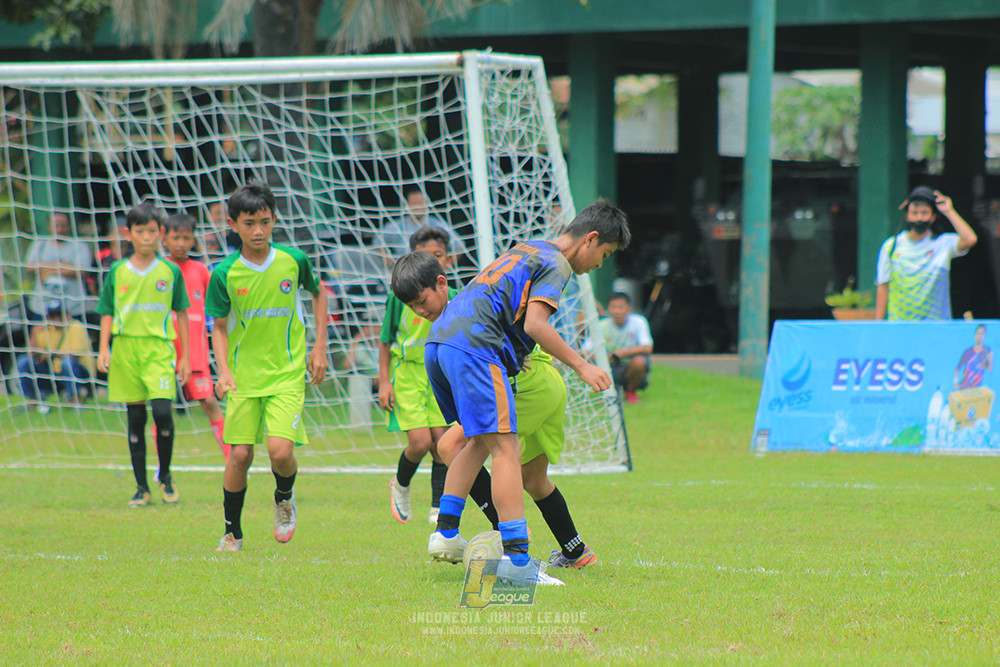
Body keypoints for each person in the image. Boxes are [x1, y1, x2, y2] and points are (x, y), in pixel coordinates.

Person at [411, 198, 630, 584]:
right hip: (476, 350)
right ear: (591, 239)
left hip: (440, 344)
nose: (598, 265)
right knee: (506, 448)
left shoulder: (528, 247)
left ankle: (444, 534)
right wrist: (582, 364)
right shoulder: (557, 264)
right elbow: (536, 325)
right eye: (605, 255)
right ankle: (516, 561)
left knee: (475, 443)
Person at [207, 180, 328, 552]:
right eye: (248, 223)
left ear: (274, 219)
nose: (258, 231)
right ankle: (232, 532)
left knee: (280, 452)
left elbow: (319, 293)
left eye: (264, 221)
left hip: (287, 373)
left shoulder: (294, 260)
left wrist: (319, 346)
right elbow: (220, 326)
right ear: (232, 224)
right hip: (245, 377)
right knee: (240, 455)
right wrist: (224, 371)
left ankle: (285, 498)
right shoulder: (226, 273)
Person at [436, 344, 598, 570]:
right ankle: (577, 551)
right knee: (533, 478)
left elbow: (534, 323)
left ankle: (504, 533)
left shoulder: (472, 311)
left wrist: (580, 365)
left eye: (422, 305)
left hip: (526, 386)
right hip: (543, 385)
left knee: (451, 445)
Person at [96, 202, 191, 508]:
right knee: (135, 419)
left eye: (152, 231)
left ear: (161, 233)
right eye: (140, 231)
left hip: (158, 349)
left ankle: (165, 476)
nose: (147, 237)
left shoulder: (170, 271)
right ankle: (141, 487)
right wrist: (103, 348)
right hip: (125, 349)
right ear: (128, 234)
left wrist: (186, 356)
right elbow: (108, 311)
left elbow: (182, 313)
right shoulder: (117, 271)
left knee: (163, 413)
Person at [379, 226, 457, 525]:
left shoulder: (453, 294)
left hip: (439, 372)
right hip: (409, 373)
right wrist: (384, 381)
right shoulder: (398, 298)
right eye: (424, 256)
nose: (431, 260)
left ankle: (438, 505)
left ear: (446, 259)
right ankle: (400, 483)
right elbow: (385, 340)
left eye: (437, 256)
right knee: (420, 442)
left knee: (442, 441)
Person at [161, 213, 229, 460]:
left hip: (195, 352)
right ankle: (162, 468)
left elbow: (217, 305)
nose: (181, 243)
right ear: (164, 238)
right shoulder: (160, 269)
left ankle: (231, 459)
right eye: (175, 237)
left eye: (186, 238)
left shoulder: (201, 270)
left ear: (193, 240)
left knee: (210, 403)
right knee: (162, 410)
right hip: (164, 350)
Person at [875, 186, 978, 321]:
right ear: (906, 215)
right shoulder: (891, 246)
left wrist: (949, 211)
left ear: (933, 217)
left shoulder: (943, 244)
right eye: (914, 212)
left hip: (936, 327)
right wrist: (878, 325)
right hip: (899, 328)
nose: (919, 217)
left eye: (924, 213)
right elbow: (883, 286)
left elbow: (970, 239)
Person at [17, 298, 95, 413]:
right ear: (48, 317)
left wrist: (49, 354)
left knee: (67, 362)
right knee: (24, 362)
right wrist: (34, 332)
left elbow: (74, 356)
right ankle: (32, 401)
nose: (57, 319)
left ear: (67, 315)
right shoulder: (45, 330)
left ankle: (75, 399)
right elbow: (32, 354)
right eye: (53, 316)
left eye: (59, 315)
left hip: (79, 373)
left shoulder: (76, 326)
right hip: (55, 373)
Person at [25, 212, 94, 322]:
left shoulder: (80, 246)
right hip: (41, 308)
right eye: (56, 225)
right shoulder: (39, 244)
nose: (60, 229)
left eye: (63, 225)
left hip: (73, 308)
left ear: (69, 226)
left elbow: (81, 271)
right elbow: (30, 267)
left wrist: (46, 270)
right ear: (49, 226)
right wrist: (63, 265)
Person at [380, 186, 467, 261]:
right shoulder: (396, 226)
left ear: (427, 204)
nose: (417, 207)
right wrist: (389, 262)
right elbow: (377, 244)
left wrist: (447, 264)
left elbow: (459, 246)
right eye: (414, 204)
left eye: (420, 203)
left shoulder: (437, 224)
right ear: (407, 205)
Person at [599, 292, 653, 404]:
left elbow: (647, 347)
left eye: (620, 307)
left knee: (639, 362)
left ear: (628, 309)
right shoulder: (601, 325)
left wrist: (622, 353)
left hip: (629, 365)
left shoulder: (639, 322)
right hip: (609, 367)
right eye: (613, 307)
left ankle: (631, 391)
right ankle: (606, 393)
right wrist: (604, 358)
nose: (617, 311)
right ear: (608, 309)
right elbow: (587, 350)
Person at [955, 324, 993, 390]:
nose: (979, 336)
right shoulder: (967, 352)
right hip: (964, 388)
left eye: (981, 334)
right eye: (978, 334)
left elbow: (989, 370)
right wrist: (955, 383)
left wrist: (990, 359)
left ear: (984, 335)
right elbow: (958, 369)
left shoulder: (987, 351)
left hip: (977, 389)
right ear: (975, 335)